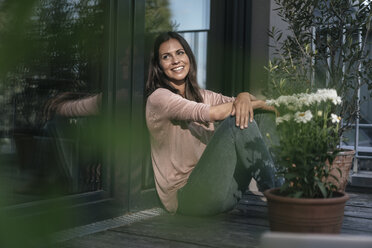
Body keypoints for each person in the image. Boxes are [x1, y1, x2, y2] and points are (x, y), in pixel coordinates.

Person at [145, 31, 280, 216]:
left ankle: (281, 188)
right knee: (236, 122)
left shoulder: (202, 95)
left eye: (180, 52)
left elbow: (245, 105)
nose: (175, 60)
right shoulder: (159, 98)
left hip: (223, 194)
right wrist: (248, 101)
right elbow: (213, 113)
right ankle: (280, 195)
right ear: (159, 65)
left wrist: (243, 96)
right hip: (188, 198)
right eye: (166, 57)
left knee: (261, 115)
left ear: (188, 56)